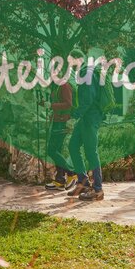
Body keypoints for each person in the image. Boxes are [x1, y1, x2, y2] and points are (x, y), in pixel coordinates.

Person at [67, 60, 107, 201]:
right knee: (73, 146)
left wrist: (74, 115)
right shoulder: (86, 72)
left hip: (90, 118)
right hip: (85, 118)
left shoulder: (87, 73)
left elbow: (88, 99)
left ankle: (98, 189)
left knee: (91, 152)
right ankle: (83, 183)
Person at [44, 78, 79, 191]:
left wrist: (51, 105)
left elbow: (68, 104)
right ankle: (60, 180)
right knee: (57, 150)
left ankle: (72, 173)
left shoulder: (64, 85)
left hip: (62, 123)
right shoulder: (56, 86)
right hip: (57, 121)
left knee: (51, 150)